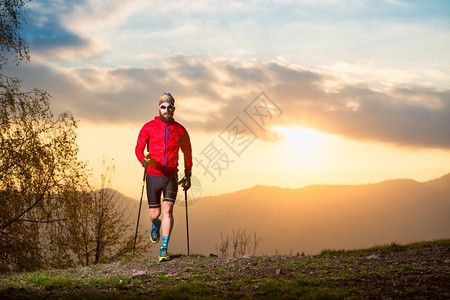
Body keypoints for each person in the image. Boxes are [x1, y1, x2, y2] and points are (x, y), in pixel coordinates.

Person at [135, 92, 192, 262]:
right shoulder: (148, 127)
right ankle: (155, 224)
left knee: (168, 210)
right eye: (163, 107)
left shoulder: (180, 130)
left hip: (171, 176)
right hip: (153, 176)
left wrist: (188, 173)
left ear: (174, 109)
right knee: (155, 213)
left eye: (170, 107)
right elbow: (138, 149)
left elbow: (187, 152)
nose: (167, 110)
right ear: (159, 108)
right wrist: (143, 160)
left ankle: (164, 248)